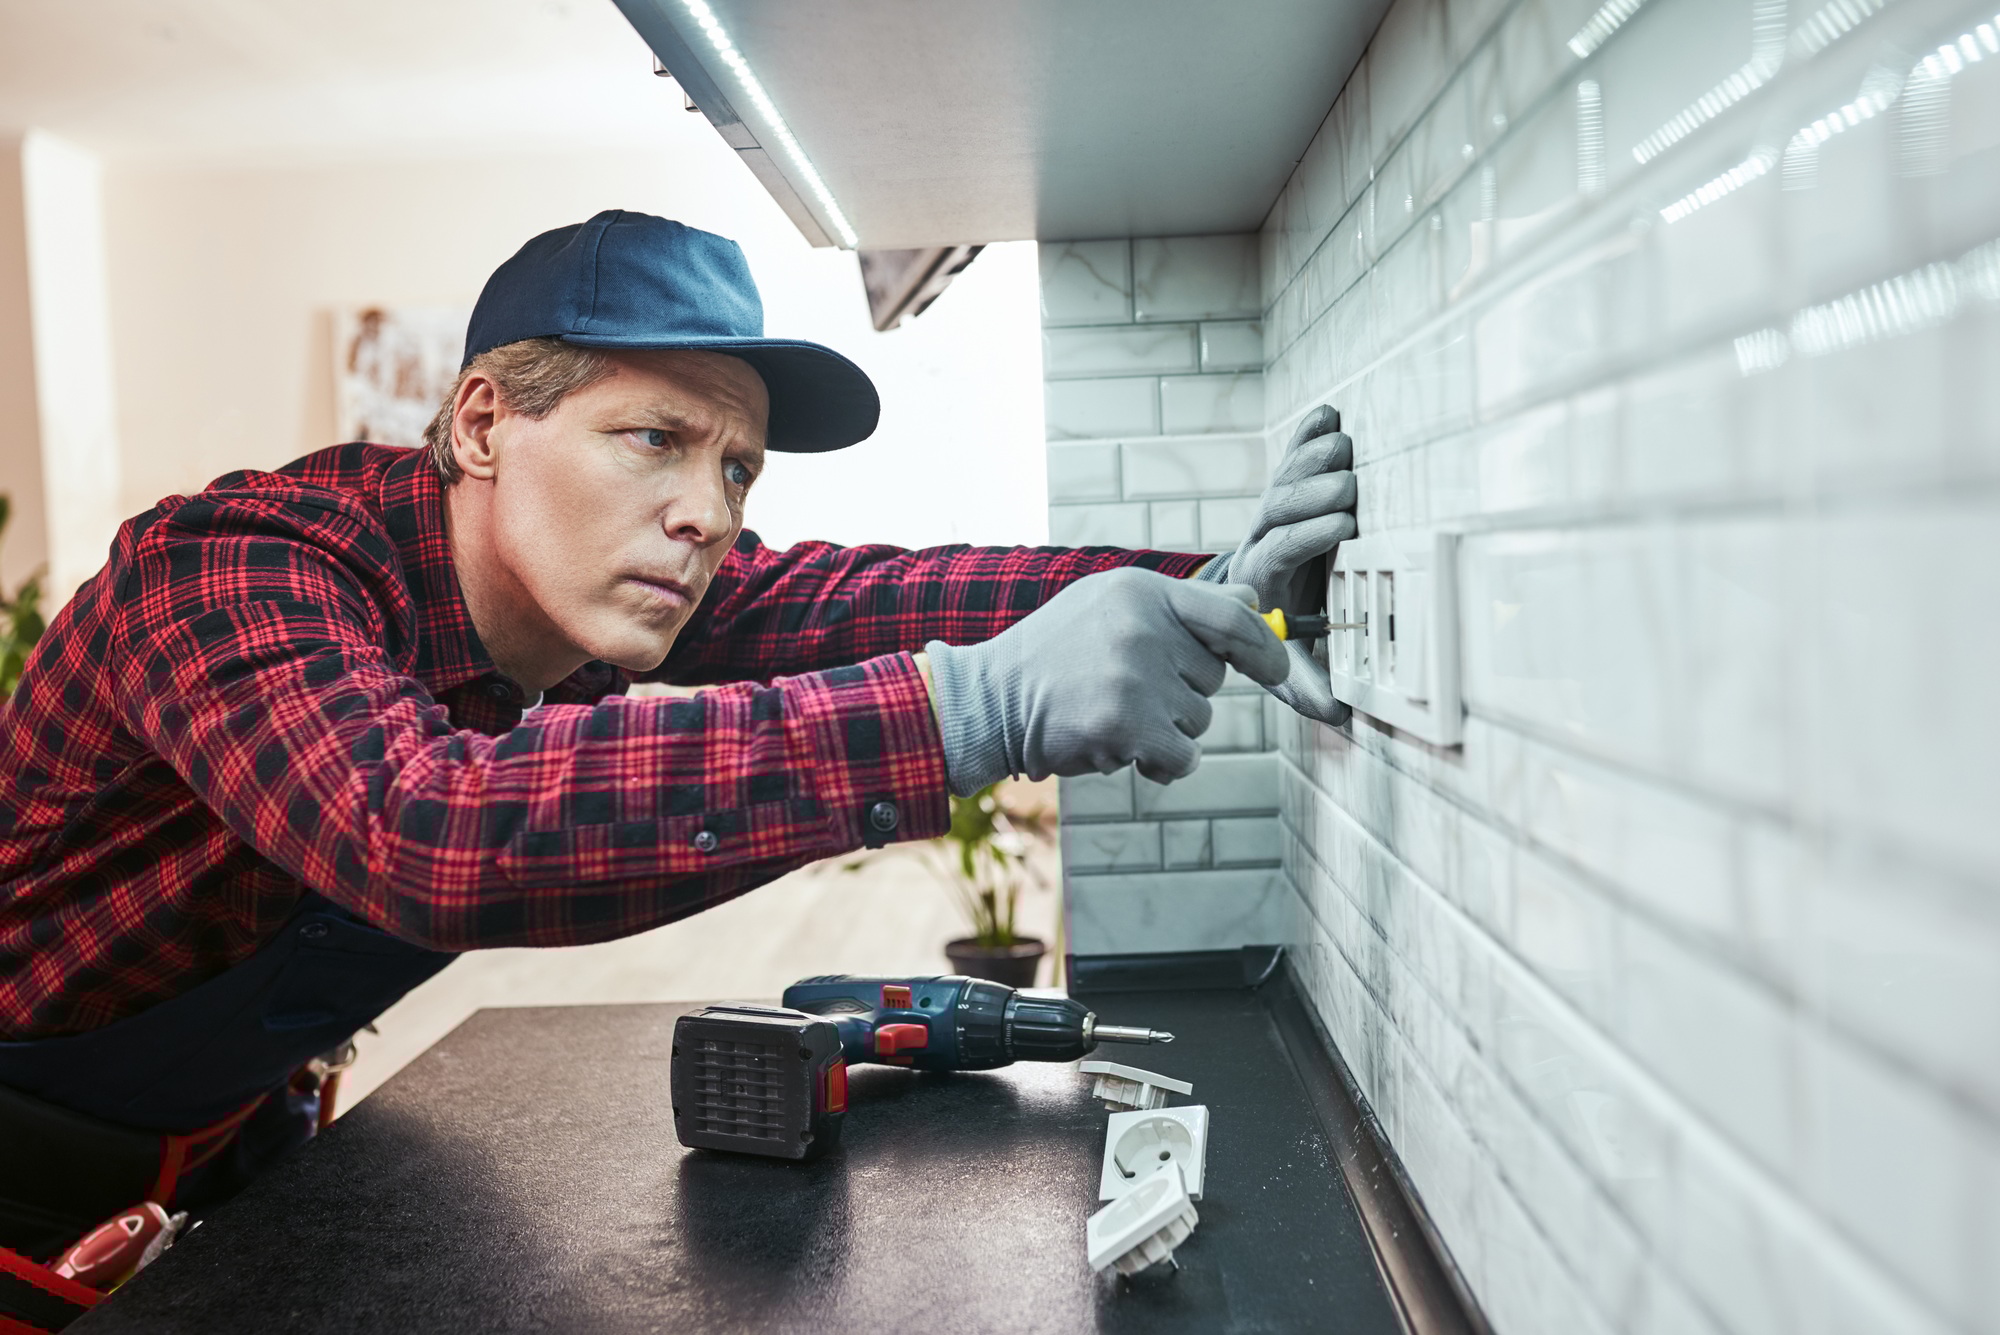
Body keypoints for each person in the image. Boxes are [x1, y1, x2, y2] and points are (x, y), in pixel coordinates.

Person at [0, 211, 1354, 1326]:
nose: (708, 509)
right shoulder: (234, 569)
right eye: (653, 437)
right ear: (482, 423)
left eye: (739, 467)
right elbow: (426, 829)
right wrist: (970, 712)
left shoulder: (594, 585)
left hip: (222, 1145)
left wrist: (1202, 586)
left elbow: (867, 601)